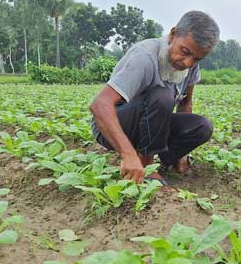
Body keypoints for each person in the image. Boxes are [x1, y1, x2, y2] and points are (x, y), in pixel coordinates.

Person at [90, 11, 219, 191]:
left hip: (151, 124)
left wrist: (180, 153)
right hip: (114, 126)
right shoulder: (144, 58)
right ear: (173, 34)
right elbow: (100, 105)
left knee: (202, 127)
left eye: (196, 58)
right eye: (185, 52)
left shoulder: (191, 66)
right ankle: (146, 167)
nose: (188, 63)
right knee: (162, 95)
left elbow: (185, 103)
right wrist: (127, 153)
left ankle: (160, 161)